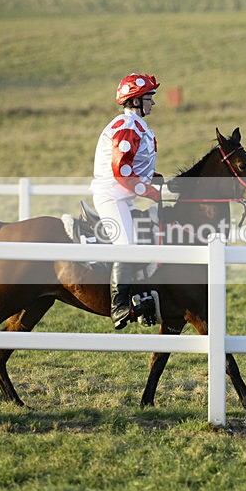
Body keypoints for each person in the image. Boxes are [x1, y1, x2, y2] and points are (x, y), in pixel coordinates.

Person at [90, 73, 163, 329]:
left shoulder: (136, 125)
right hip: (112, 196)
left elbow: (134, 166)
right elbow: (122, 171)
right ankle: (119, 307)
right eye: (149, 98)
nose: (153, 103)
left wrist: (156, 179)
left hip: (123, 196)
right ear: (135, 101)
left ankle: (140, 298)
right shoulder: (128, 126)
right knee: (127, 246)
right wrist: (150, 191)